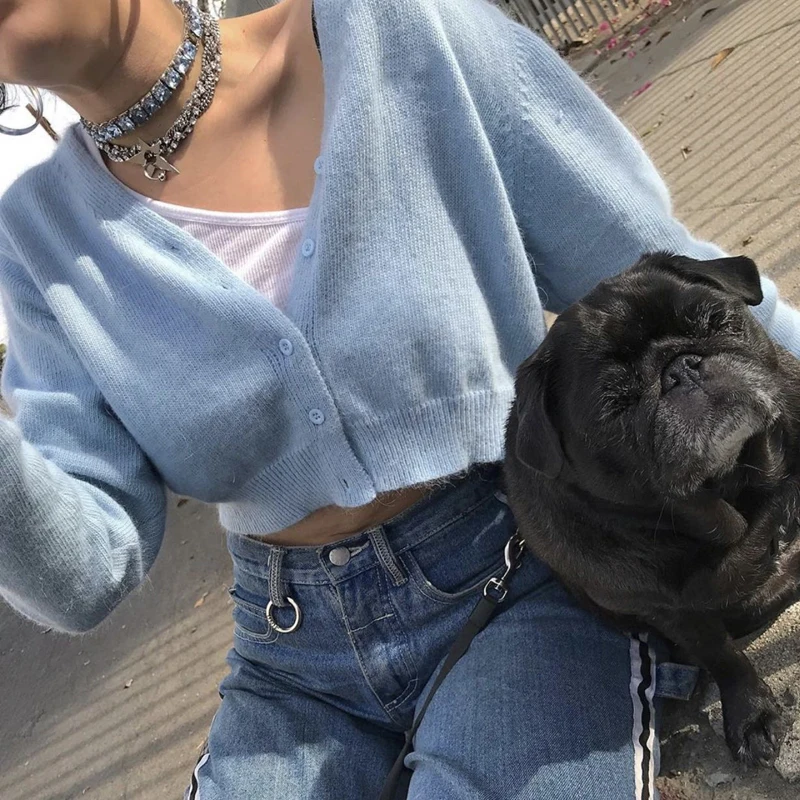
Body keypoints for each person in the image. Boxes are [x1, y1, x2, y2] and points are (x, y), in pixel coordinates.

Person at [1, 1, 798, 798]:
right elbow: (84, 576)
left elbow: (670, 270)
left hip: (521, 569)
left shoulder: (398, 30)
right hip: (289, 649)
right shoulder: (33, 237)